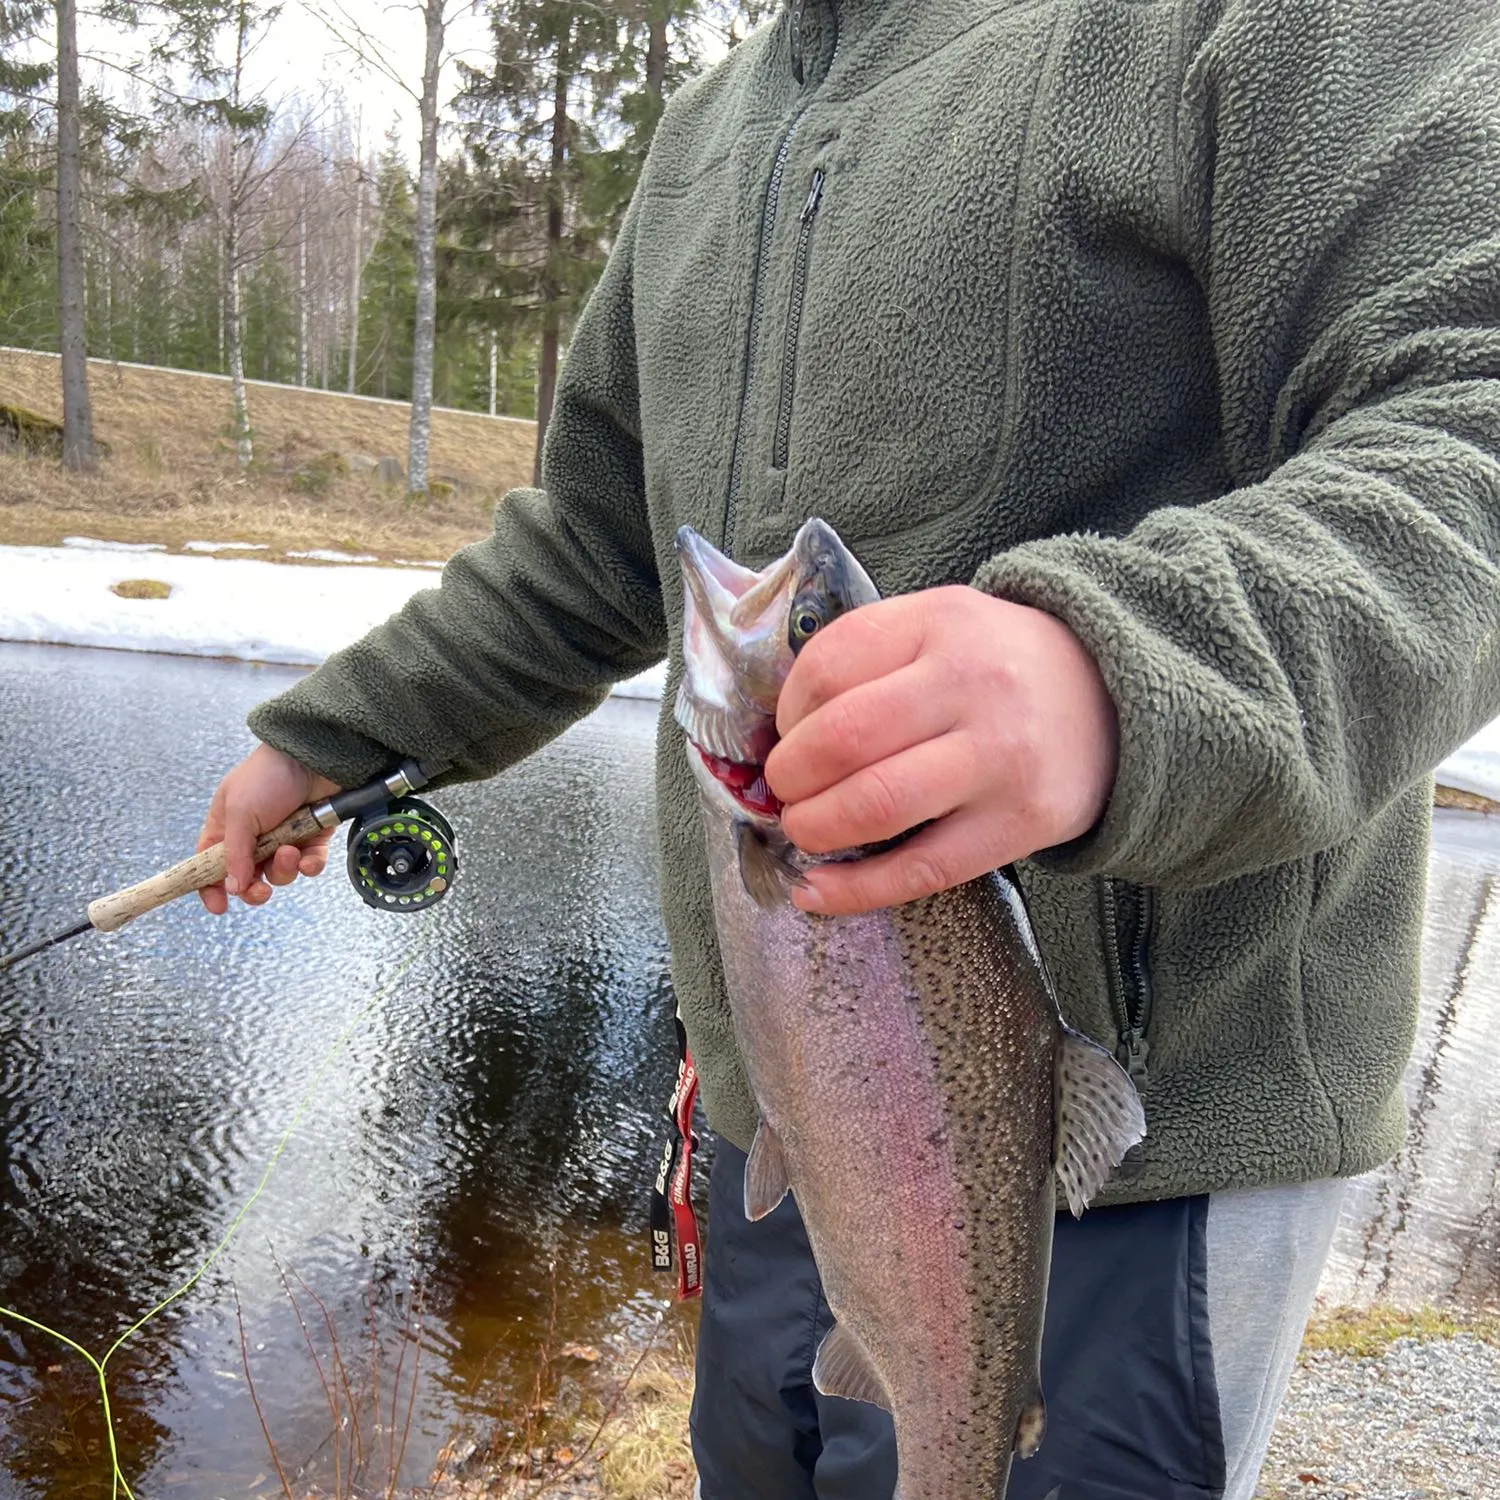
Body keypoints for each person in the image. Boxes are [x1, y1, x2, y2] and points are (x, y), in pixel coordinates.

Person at [198, 0, 1500, 1495]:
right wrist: (337, 740)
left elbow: (1470, 406)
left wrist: (1117, 676)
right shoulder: (711, 129)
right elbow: (595, 546)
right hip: (788, 1136)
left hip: (1156, 1157)